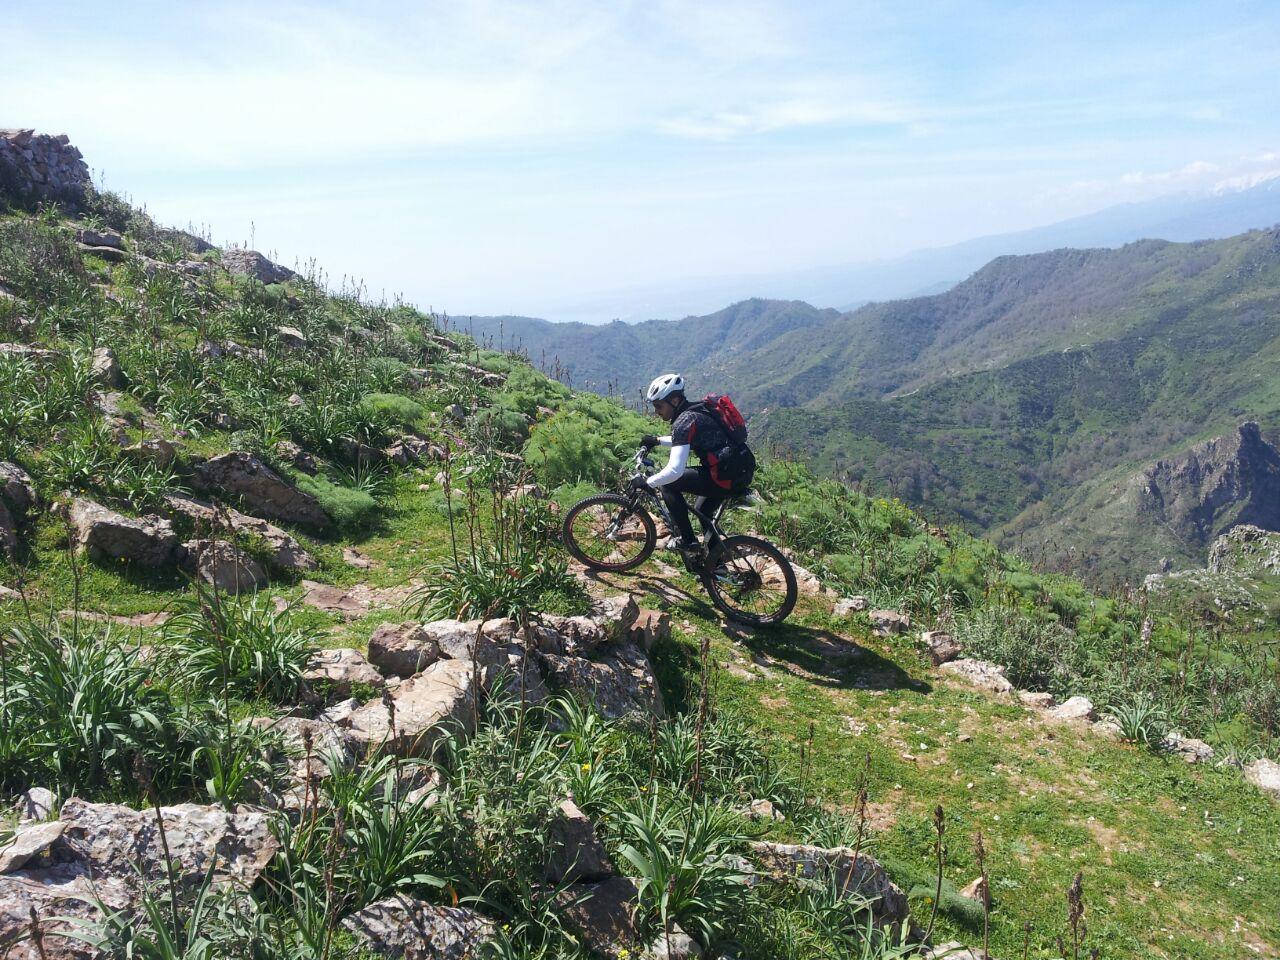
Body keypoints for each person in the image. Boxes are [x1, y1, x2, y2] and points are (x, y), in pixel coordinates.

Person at [633, 372, 755, 558]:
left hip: (724, 477)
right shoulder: (698, 410)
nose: (656, 411)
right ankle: (716, 567)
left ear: (674, 401)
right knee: (702, 510)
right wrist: (657, 441)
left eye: (659, 406)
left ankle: (688, 540)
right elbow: (685, 439)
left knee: (668, 484)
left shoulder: (684, 422)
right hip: (738, 470)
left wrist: (648, 482)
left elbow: (674, 471)